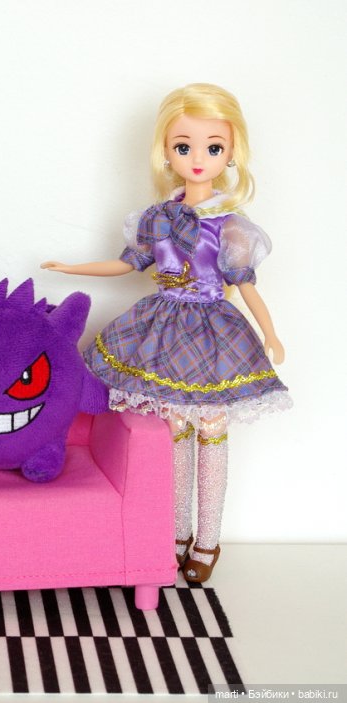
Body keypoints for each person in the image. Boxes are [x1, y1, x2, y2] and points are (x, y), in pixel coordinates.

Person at [41, 83, 291, 583]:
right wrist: (71, 267)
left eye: (213, 147)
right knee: (173, 431)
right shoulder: (155, 218)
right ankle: (175, 534)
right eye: (184, 146)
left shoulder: (230, 226)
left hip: (213, 334)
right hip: (162, 328)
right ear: (166, 151)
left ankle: (208, 541)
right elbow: (126, 263)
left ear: (232, 152)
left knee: (212, 431)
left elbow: (246, 286)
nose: (197, 158)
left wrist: (271, 334)